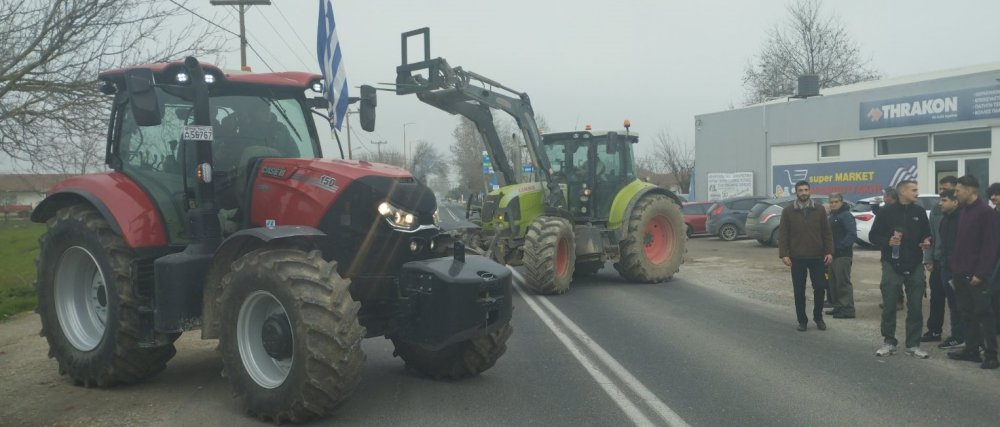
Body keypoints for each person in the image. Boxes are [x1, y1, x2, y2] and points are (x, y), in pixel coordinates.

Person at [869, 180, 932, 358]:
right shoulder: (886, 211)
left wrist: (927, 241)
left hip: (915, 264)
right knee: (889, 305)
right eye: (914, 190)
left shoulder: (919, 211)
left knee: (916, 307)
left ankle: (913, 344)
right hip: (892, 264)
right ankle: (889, 342)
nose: (917, 193)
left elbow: (927, 234)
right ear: (902, 192)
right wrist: (887, 241)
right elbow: (874, 236)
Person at [947, 175, 999, 369]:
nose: (956, 194)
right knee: (966, 312)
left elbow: (990, 246)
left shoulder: (986, 213)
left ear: (970, 190)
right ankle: (971, 350)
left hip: (977, 275)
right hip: (960, 273)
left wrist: (982, 273)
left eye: (958, 190)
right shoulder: (963, 212)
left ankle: (991, 355)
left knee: (984, 313)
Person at [778, 180, 833, 332]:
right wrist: (784, 254)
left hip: (817, 257)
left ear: (810, 191)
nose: (803, 192)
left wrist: (829, 251)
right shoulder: (788, 211)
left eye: (806, 190)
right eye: (800, 190)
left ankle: (818, 317)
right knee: (799, 291)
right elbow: (783, 234)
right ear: (796, 192)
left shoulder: (819, 209)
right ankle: (802, 320)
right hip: (797, 257)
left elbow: (826, 232)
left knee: (820, 288)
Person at [920, 175, 958, 343]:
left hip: (954, 263)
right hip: (937, 260)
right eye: (940, 189)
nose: (941, 193)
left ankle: (959, 335)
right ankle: (934, 330)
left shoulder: (961, 210)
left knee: (955, 301)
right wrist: (928, 259)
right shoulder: (936, 208)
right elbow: (931, 235)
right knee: (936, 298)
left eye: (946, 189)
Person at [926, 189, 965, 349]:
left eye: (944, 200)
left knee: (962, 304)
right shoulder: (945, 219)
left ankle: (972, 340)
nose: (940, 203)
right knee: (952, 304)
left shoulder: (963, 218)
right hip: (945, 266)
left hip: (960, 268)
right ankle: (957, 336)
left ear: (955, 201)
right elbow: (937, 240)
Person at [822, 193, 856, 319]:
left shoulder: (846, 215)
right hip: (832, 256)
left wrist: (839, 247)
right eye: (831, 202)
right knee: (833, 283)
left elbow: (851, 235)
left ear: (841, 202)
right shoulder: (833, 216)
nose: (833, 204)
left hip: (842, 256)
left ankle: (848, 310)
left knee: (842, 283)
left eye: (836, 202)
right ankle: (838, 307)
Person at [878, 186, 906, 311]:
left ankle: (898, 301)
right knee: (888, 280)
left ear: (890, 196)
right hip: (888, 250)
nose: (884, 198)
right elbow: (877, 231)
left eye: (885, 196)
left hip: (902, 251)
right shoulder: (885, 210)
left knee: (895, 279)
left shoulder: (901, 211)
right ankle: (890, 301)